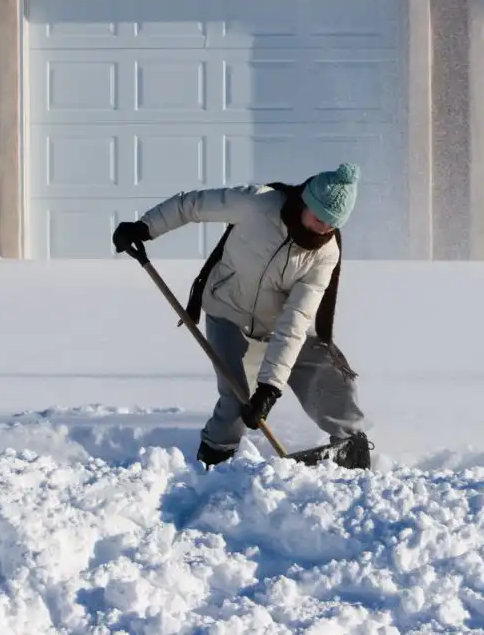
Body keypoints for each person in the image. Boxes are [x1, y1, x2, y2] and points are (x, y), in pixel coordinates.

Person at [111, 162, 373, 470]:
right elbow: (193, 205)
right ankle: (213, 463)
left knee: (330, 379)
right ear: (306, 202)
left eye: (332, 225)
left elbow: (296, 320)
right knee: (237, 400)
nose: (324, 229)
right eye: (320, 219)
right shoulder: (257, 203)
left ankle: (351, 454)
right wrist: (145, 228)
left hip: (281, 326)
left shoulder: (324, 253)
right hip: (229, 313)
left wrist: (270, 388)